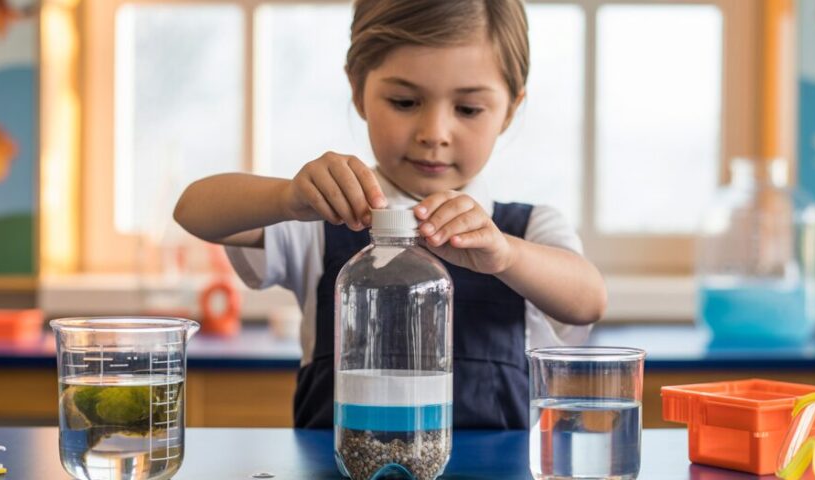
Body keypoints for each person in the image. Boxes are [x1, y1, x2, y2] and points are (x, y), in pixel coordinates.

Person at [174, 0, 607, 429]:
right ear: (358, 89)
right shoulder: (321, 221)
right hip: (335, 464)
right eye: (404, 101)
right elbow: (193, 210)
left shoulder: (527, 231)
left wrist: (506, 255)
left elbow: (588, 300)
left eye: (468, 109)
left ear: (510, 109)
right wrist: (285, 197)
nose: (434, 134)